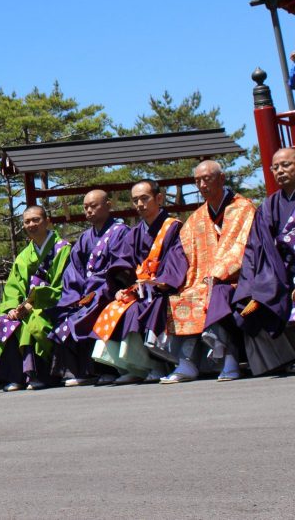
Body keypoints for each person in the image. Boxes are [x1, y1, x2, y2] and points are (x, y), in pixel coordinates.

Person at [92, 180, 188, 384]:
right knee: (116, 306)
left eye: (145, 198)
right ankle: (133, 366)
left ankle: (155, 364)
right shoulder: (135, 232)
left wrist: (160, 282)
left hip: (164, 288)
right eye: (135, 200)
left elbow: (177, 259)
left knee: (138, 309)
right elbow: (121, 263)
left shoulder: (173, 228)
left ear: (159, 198)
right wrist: (119, 288)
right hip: (140, 288)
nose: (139, 204)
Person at [169, 161, 255, 382]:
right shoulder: (197, 217)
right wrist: (163, 278)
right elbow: (182, 251)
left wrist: (218, 273)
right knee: (184, 295)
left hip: (239, 279)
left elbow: (244, 245)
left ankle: (229, 358)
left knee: (216, 293)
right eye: (197, 180)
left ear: (222, 178)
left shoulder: (243, 208)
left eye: (207, 178)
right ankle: (186, 362)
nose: (202, 184)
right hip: (204, 279)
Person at [0, 205, 71, 391]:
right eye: (27, 221)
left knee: (33, 322)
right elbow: (13, 288)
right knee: (4, 323)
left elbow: (62, 285)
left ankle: (38, 375)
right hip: (25, 307)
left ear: (47, 221)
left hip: (52, 305)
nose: (31, 224)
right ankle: (16, 377)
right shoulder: (23, 256)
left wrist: (32, 303)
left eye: (36, 220)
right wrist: (12, 308)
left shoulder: (63, 249)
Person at [49, 190, 132, 386]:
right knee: (66, 316)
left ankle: (106, 369)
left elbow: (121, 268)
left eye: (93, 206)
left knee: (92, 313)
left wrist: (103, 290)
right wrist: (74, 297)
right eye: (85, 207)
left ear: (108, 205)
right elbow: (73, 272)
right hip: (86, 293)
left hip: (108, 291)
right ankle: (77, 372)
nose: (89, 210)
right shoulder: (85, 238)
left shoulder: (121, 232)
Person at [227, 147, 295, 375]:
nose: (280, 171)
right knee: (250, 305)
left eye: (286, 165)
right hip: (277, 275)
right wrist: (250, 287)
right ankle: (282, 360)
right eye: (275, 167)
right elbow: (254, 249)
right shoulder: (268, 206)